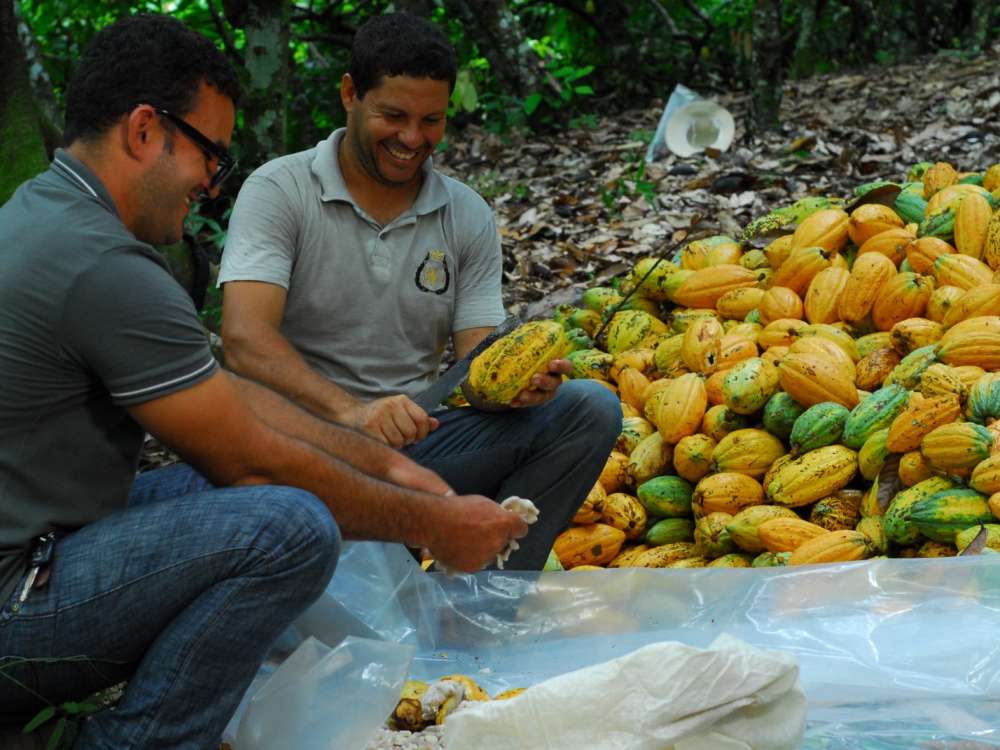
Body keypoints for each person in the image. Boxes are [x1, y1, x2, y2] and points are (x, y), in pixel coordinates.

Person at [0, 14, 530, 749]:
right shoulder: (104, 266)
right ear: (146, 131)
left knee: (250, 491)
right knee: (290, 527)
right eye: (210, 155)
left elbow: (226, 395)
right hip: (18, 597)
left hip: (45, 546)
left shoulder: (46, 210)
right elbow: (248, 458)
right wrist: (432, 523)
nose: (210, 185)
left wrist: (381, 464)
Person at [219, 13, 622, 569]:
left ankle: (486, 599)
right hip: (298, 446)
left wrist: (516, 387)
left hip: (417, 444)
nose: (412, 139)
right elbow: (244, 340)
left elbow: (477, 369)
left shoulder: (465, 214)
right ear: (349, 94)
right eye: (393, 116)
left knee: (589, 408)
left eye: (431, 120)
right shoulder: (280, 190)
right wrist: (352, 414)